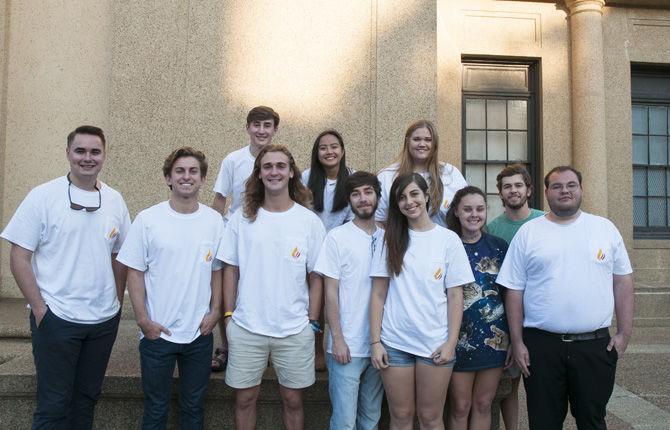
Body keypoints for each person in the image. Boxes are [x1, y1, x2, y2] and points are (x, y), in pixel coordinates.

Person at [1, 125, 130, 429]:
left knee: (86, 401)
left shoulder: (114, 200)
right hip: (57, 319)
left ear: (104, 155)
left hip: (102, 321)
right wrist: (40, 308)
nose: (88, 158)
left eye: (95, 151)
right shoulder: (42, 197)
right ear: (68, 153)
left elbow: (120, 256)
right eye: (80, 151)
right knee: (54, 405)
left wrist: (116, 303)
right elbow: (19, 256)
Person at [497, 166, 634, 430]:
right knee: (543, 422)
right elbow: (514, 291)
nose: (565, 191)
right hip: (541, 346)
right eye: (557, 186)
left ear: (581, 189)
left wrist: (624, 334)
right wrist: (517, 341)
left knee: (592, 420)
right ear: (546, 192)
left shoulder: (604, 229)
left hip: (594, 346)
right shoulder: (529, 233)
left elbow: (623, 281)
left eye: (571, 185)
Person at [218, 145, 326, 430]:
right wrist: (228, 317)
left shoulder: (309, 222)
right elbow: (231, 269)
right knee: (244, 400)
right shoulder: (242, 218)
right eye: (268, 166)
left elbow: (317, 277)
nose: (274, 171)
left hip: (294, 329)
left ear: (291, 172)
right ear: (259, 173)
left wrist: (312, 322)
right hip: (246, 326)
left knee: (293, 400)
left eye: (281, 166)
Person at [117, 147, 225, 429]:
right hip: (157, 335)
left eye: (193, 171)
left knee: (193, 409)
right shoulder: (148, 219)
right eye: (179, 171)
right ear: (168, 177)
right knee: (155, 410)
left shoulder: (214, 221)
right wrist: (143, 319)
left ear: (202, 179)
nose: (186, 177)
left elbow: (217, 271)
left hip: (199, 334)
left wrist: (215, 313)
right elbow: (135, 272)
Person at [369, 173, 472, 429]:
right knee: (401, 417)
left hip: (435, 344)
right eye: (402, 197)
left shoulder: (448, 240)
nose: (409, 201)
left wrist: (450, 343)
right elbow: (378, 294)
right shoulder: (388, 239)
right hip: (395, 343)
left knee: (430, 418)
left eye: (414, 194)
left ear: (427, 196)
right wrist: (375, 342)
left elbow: (455, 295)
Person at [210, 105, 280, 372]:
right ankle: (228, 346)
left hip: (269, 238)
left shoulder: (280, 159)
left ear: (274, 130)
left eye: (267, 126)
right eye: (257, 125)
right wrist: (214, 233)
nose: (262, 131)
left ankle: (269, 346)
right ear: (248, 128)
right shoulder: (233, 160)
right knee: (231, 290)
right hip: (237, 236)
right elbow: (220, 199)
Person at [314, 171, 385, 429]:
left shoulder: (389, 238)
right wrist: (338, 339)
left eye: (368, 192)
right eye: (356, 194)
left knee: (370, 420)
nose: (362, 199)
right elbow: (329, 293)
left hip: (380, 345)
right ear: (349, 200)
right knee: (344, 422)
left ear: (378, 196)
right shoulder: (337, 237)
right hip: (347, 347)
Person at [444, 186, 509, 430]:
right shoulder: (446, 243)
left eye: (480, 209)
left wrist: (513, 337)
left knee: (483, 403)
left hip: (494, 338)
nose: (474, 214)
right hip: (457, 339)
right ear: (457, 213)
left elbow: (509, 293)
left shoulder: (499, 246)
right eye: (467, 209)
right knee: (460, 406)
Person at [486, 164, 543, 430]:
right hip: (508, 314)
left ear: (528, 189)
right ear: (500, 193)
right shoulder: (492, 229)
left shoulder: (545, 223)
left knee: (541, 386)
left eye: (518, 185)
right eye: (507, 186)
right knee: (509, 384)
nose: (513, 191)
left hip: (541, 315)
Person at [302, 129, 354, 371]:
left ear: (342, 151)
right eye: (323, 147)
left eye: (334, 146)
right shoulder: (305, 178)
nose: (329, 151)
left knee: (335, 300)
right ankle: (314, 350)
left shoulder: (352, 178)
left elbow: (353, 219)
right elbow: (300, 214)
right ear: (317, 153)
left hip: (340, 248)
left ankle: (336, 346)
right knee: (313, 301)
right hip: (310, 249)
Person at [375, 120, 467, 227]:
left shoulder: (451, 173)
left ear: (435, 143)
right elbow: (379, 220)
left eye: (428, 140)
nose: (422, 144)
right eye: (416, 139)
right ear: (407, 141)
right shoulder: (387, 176)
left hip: (442, 242)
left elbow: (467, 209)